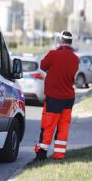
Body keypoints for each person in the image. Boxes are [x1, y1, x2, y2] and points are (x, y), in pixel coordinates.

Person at [32, 31, 79, 163]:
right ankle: (59, 155)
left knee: (48, 126)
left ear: (61, 41)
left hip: (54, 98)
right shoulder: (75, 58)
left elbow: (42, 65)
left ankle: (41, 155)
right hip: (68, 98)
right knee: (63, 127)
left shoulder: (54, 54)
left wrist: (54, 50)